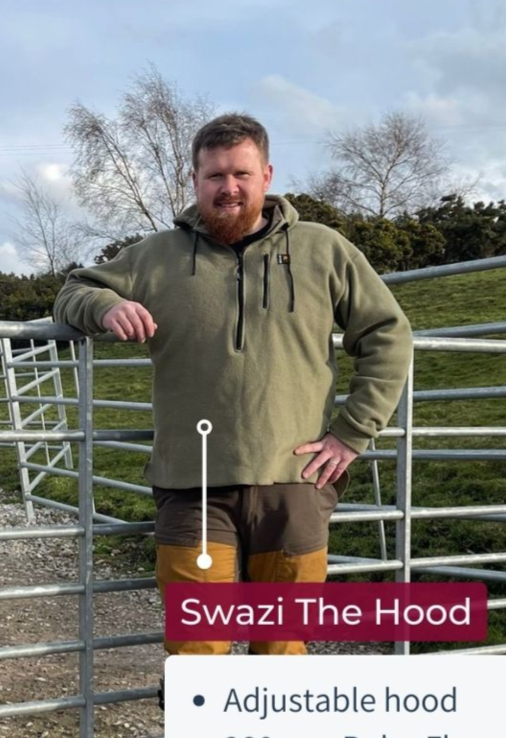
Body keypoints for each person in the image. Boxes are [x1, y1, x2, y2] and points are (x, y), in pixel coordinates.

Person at [54, 111, 412, 660]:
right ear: (194, 181)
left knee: (282, 651)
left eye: (241, 174)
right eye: (214, 176)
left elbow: (387, 333)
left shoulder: (323, 249)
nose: (229, 188)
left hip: (295, 483)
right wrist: (107, 304)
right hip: (190, 486)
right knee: (196, 652)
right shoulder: (157, 256)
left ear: (267, 176)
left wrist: (352, 434)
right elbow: (73, 290)